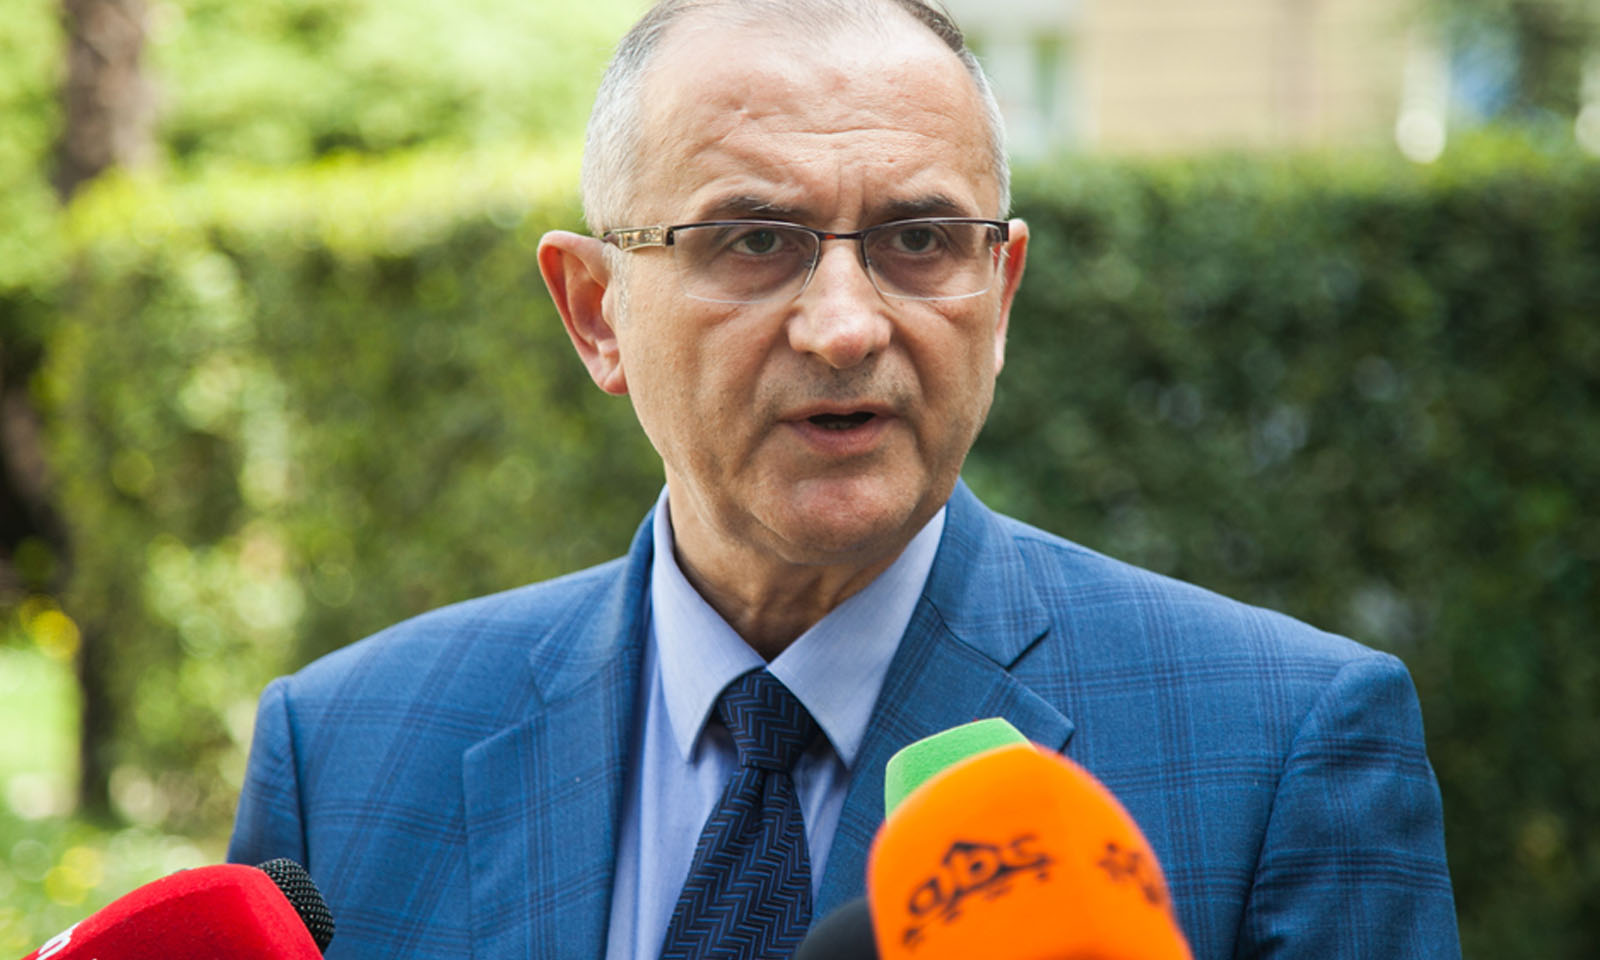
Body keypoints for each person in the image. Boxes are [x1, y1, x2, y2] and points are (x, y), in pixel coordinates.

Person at [228, 1, 1461, 957]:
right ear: (596, 311)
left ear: (1000, 297)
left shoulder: (1282, 751)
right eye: (753, 240)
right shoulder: (346, 754)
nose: (843, 326)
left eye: (919, 240)